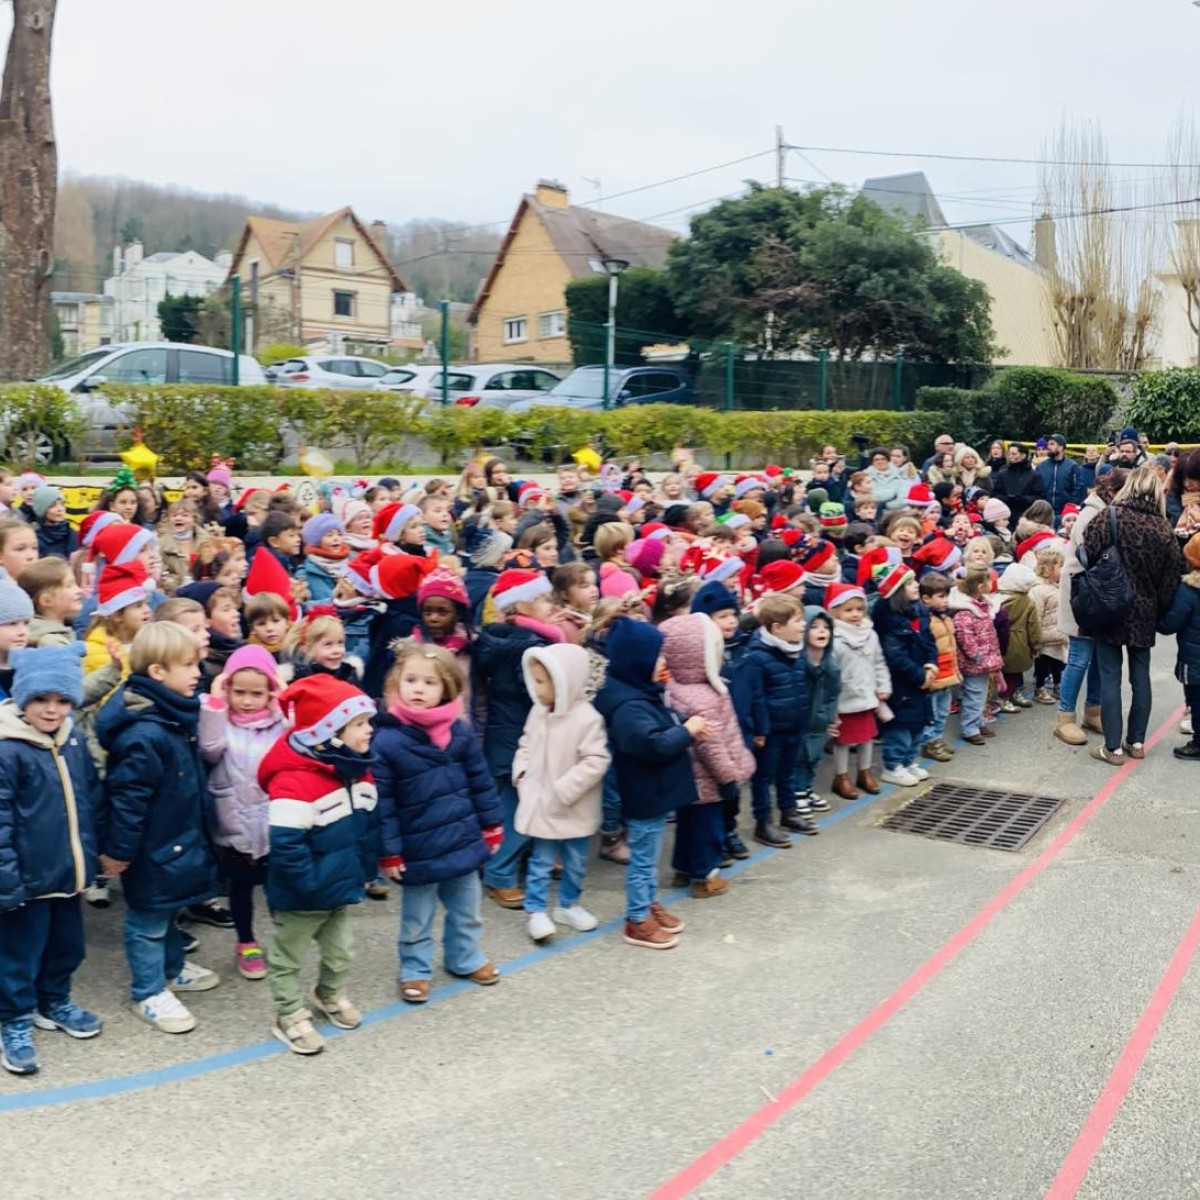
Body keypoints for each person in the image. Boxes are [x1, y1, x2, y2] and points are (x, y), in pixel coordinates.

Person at [96, 622, 221, 1035]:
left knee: (165, 912)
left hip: (173, 842)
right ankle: (147, 992)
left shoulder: (171, 716)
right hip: (150, 848)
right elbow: (128, 801)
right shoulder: (145, 733)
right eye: (187, 665)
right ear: (157, 673)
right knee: (147, 919)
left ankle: (171, 968)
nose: (197, 674)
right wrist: (119, 851)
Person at [373, 643, 503, 1001]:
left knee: (467, 908)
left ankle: (465, 956)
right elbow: (382, 805)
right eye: (410, 680)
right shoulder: (386, 740)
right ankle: (415, 968)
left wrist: (491, 824)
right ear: (396, 683)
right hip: (417, 849)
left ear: (446, 689)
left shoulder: (458, 732)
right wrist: (390, 852)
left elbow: (480, 780)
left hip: (462, 838)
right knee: (417, 917)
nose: (417, 688)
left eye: (429, 683)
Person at [260, 674, 378, 1054]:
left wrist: (365, 868)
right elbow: (286, 845)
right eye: (359, 724)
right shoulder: (293, 782)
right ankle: (289, 1013)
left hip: (340, 886)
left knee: (341, 950)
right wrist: (308, 885)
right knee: (287, 957)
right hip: (303, 893)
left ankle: (328, 994)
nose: (369, 731)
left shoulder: (358, 770)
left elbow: (367, 826)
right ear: (328, 732)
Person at [0, 643, 102, 1076]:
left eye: (62, 700)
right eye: (41, 699)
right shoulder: (8, 750)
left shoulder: (72, 739)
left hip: (67, 872)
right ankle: (14, 1018)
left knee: (67, 946)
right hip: (25, 879)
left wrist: (92, 860)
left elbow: (88, 798)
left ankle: (54, 999)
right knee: (18, 954)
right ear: (23, 697)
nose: (52, 709)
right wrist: (7, 883)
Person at [593, 617, 699, 950]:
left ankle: (648, 903)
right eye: (657, 656)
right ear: (636, 661)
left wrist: (681, 722)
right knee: (643, 860)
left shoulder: (640, 692)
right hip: (645, 794)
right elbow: (652, 744)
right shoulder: (628, 706)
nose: (664, 662)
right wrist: (687, 731)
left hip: (655, 791)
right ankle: (637, 919)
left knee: (649, 858)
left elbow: (661, 723)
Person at [474, 569, 564, 910]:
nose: (549, 604)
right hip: (520, 736)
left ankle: (507, 861)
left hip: (506, 733)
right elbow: (539, 695)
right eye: (541, 599)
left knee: (511, 803)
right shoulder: (529, 648)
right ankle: (499, 873)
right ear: (519, 607)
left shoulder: (503, 640)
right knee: (522, 807)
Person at [1082, 464, 1183, 765]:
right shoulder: (1163, 528)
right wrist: (1157, 608)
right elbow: (1170, 579)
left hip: (1108, 607)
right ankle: (1136, 741)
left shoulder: (1108, 516)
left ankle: (1111, 747)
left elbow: (1086, 553)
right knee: (1141, 677)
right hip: (1144, 611)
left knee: (1110, 677)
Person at [198, 645, 288, 981]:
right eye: (239, 692)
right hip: (234, 821)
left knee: (278, 884)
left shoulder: (279, 723)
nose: (248, 701)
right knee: (241, 887)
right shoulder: (222, 722)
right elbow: (209, 750)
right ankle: (246, 941)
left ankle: (285, 937)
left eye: (257, 693)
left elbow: (298, 736)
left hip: (273, 822)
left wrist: (283, 699)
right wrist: (216, 704)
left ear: (270, 692)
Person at [513, 643, 610, 938]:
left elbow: (597, 759)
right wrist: (522, 771)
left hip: (573, 804)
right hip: (542, 803)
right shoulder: (538, 712)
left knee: (576, 861)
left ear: (564, 682)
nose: (536, 688)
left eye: (542, 681)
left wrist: (565, 787)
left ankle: (568, 904)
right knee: (541, 860)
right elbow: (526, 742)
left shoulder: (587, 719)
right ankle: (536, 910)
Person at [662, 612, 755, 896]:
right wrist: (728, 776)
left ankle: (683, 869)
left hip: (685, 779)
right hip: (709, 778)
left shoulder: (674, 688)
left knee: (688, 827)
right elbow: (709, 744)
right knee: (708, 829)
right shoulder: (704, 696)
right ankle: (706, 876)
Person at [733, 594, 815, 845]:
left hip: (794, 723)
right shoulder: (757, 657)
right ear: (777, 628)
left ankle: (788, 811)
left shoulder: (796, 650)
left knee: (787, 772)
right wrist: (760, 729)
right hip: (770, 731)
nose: (804, 626)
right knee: (764, 776)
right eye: (798, 621)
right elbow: (753, 697)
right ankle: (763, 822)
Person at [1053, 470, 1126, 746]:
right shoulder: (1090, 512)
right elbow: (1091, 552)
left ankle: (1092, 711)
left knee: (1097, 657)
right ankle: (1065, 717)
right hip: (1082, 595)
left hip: (1096, 596)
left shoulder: (1105, 510)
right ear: (1113, 490)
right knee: (1080, 657)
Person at [871, 563, 936, 787]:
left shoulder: (919, 612)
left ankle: (908, 761)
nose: (916, 585)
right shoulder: (888, 619)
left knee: (918, 723)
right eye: (909, 582)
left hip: (921, 678)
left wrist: (931, 666)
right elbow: (895, 657)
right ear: (897, 590)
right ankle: (892, 765)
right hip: (902, 683)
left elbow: (930, 642)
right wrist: (919, 676)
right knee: (901, 726)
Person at [827, 582, 890, 798]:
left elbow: (879, 661)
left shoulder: (869, 633)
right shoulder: (832, 637)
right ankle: (841, 776)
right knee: (843, 740)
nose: (855, 614)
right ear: (835, 611)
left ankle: (864, 772)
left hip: (866, 693)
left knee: (866, 736)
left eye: (859, 609)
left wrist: (883, 686)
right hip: (843, 696)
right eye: (848, 610)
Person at [794, 605, 842, 810]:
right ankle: (795, 791)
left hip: (820, 719)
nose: (822, 631)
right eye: (814, 627)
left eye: (826, 627)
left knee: (815, 755)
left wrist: (832, 718)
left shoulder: (831, 664)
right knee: (799, 756)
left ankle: (806, 788)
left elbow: (833, 694)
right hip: (800, 718)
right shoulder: (797, 662)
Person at [950, 569, 1004, 746]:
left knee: (980, 695)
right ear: (981, 587)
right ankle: (970, 727)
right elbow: (965, 636)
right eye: (988, 581)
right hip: (975, 663)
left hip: (984, 660)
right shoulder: (966, 612)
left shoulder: (981, 606)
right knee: (974, 695)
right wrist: (977, 656)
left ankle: (978, 722)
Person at [1160, 532, 1200, 760]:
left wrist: (1155, 621)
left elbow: (1171, 623)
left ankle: (1198, 744)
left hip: (1194, 660)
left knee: (1197, 701)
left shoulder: (1189, 590)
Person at [918, 572, 961, 762]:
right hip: (935, 673)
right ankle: (929, 742)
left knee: (943, 710)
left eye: (946, 596)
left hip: (947, 672)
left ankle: (937, 738)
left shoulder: (944, 617)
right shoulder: (925, 620)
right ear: (926, 599)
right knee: (932, 712)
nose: (946, 601)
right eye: (941, 596)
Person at [997, 563, 1039, 710]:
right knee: (1014, 672)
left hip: (1000, 640)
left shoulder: (997, 598)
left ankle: (1006, 696)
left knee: (1003, 672)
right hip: (1019, 641)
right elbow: (1033, 626)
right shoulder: (1027, 601)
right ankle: (1007, 697)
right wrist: (1036, 645)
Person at [1030, 547, 1067, 705]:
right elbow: (1036, 615)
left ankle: (1058, 685)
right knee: (1043, 663)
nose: (1063, 569)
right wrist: (1036, 638)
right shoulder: (1038, 590)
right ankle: (1040, 687)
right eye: (1060, 566)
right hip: (1045, 634)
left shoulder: (1058, 587)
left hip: (1058, 632)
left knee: (1058, 661)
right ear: (1049, 568)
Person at [992, 443, 1045, 523]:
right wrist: (1007, 498)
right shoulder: (1003, 474)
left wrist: (1022, 499)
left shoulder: (1034, 475)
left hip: (1026, 516)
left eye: (1013, 454)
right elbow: (995, 494)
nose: (1010, 456)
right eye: (1009, 454)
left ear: (1023, 456)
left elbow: (1039, 497)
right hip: (1004, 517)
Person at [1035, 434, 1083, 518]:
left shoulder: (1072, 466)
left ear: (1061, 447)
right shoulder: (1041, 467)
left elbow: (1077, 490)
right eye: (1048, 444)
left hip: (1065, 514)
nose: (1048, 446)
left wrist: (1070, 509)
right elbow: (1036, 489)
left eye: (1052, 444)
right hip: (1045, 513)